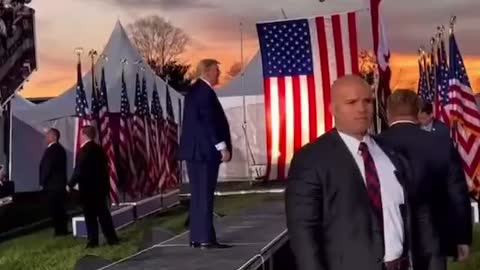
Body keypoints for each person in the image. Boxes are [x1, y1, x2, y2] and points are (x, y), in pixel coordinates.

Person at [286, 75, 411, 270]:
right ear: (332, 109)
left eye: (367, 101)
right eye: (351, 102)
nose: (362, 108)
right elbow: (303, 232)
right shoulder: (311, 159)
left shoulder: (391, 153)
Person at [378, 90, 472, 270]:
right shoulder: (441, 143)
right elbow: (457, 192)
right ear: (417, 112)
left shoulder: (376, 144)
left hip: (389, 238)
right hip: (434, 235)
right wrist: (462, 238)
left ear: (388, 112)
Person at [178, 59, 232, 249]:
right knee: (205, 195)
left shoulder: (194, 91)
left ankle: (197, 237)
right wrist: (222, 147)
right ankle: (205, 238)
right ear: (208, 71)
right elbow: (208, 123)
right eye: (217, 70)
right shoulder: (204, 93)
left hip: (195, 152)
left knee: (198, 195)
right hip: (204, 152)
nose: (219, 73)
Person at [67, 125, 119, 248]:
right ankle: (112, 238)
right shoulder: (99, 149)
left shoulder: (84, 151)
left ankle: (93, 241)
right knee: (103, 214)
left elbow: (79, 171)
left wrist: (70, 184)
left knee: (90, 216)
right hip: (100, 188)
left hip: (88, 190)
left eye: (81, 134)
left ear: (84, 135)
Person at [39, 128, 68, 236]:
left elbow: (47, 166)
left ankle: (60, 231)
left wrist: (42, 182)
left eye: (48, 135)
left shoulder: (53, 149)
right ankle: (61, 229)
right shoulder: (60, 149)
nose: (46, 137)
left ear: (54, 137)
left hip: (53, 185)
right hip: (58, 185)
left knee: (56, 209)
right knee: (59, 208)